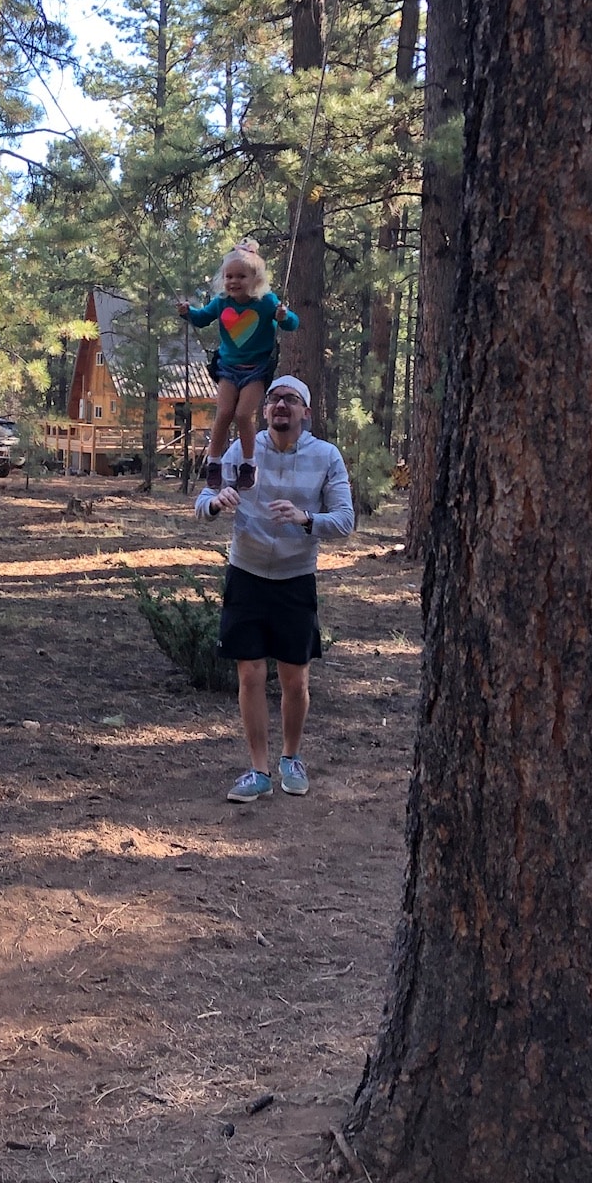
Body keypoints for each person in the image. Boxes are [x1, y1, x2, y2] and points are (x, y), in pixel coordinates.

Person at [194, 375, 354, 803]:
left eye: (291, 399)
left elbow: (345, 520)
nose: (281, 405)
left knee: (294, 681)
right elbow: (203, 500)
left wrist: (306, 518)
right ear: (264, 410)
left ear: (306, 412)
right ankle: (258, 770)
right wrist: (216, 502)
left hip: (295, 578)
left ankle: (291, 757)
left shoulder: (326, 456)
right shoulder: (242, 450)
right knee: (249, 674)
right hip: (246, 573)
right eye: (273, 399)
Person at [178, 246, 298, 492]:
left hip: (257, 369)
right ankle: (214, 463)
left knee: (243, 415)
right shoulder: (222, 302)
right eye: (229, 276)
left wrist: (284, 316)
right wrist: (187, 312)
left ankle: (248, 465)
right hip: (228, 368)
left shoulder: (266, 302)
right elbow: (201, 319)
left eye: (241, 276)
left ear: (255, 279)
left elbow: (292, 324)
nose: (234, 281)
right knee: (223, 413)